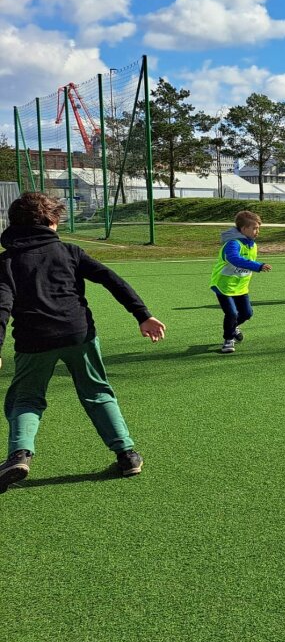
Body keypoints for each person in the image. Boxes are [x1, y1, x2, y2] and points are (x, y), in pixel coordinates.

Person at [0, 192, 166, 492]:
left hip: (34, 340)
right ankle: (127, 455)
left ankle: (19, 455)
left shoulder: (7, 261)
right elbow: (111, 279)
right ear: (52, 222)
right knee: (98, 393)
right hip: (79, 334)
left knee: (26, 399)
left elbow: (2, 304)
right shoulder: (70, 251)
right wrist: (142, 315)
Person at [210, 210, 272, 354]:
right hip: (223, 285)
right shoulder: (233, 244)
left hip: (240, 287)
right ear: (244, 229)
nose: (258, 231)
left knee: (247, 313)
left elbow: (247, 260)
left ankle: (233, 327)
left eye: (258, 228)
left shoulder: (252, 245)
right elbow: (234, 259)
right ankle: (228, 339)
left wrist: (256, 264)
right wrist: (258, 266)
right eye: (255, 228)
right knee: (231, 313)